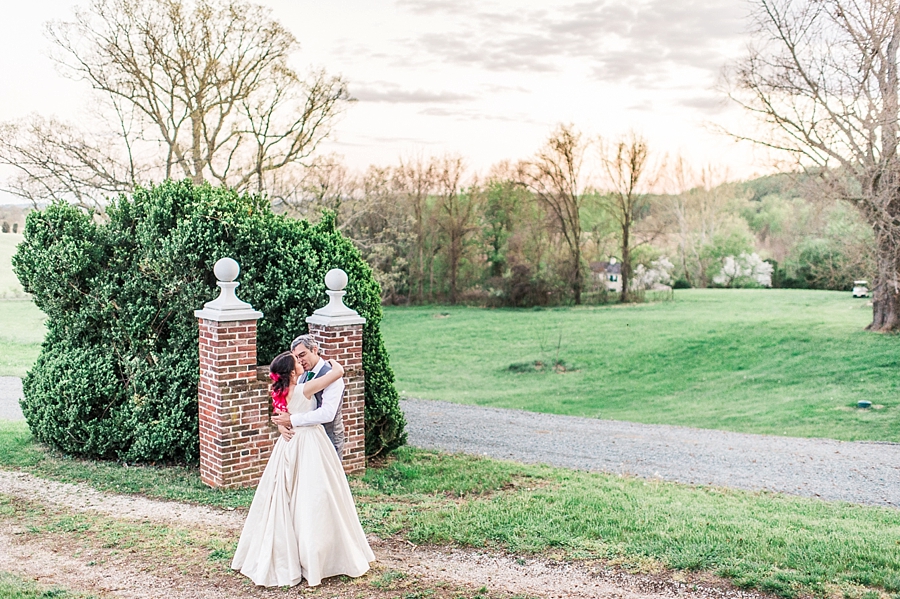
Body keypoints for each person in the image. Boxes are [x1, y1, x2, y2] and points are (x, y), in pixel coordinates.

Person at [231, 351, 375, 587]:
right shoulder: (304, 389)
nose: (301, 363)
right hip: (310, 441)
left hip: (289, 443)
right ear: (290, 371)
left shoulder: (281, 392)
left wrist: (283, 423)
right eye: (297, 362)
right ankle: (319, 553)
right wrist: (331, 362)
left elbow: (281, 415)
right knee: (316, 493)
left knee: (288, 493)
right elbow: (338, 373)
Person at [272, 335, 344, 458]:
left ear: (314, 349)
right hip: (301, 440)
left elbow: (328, 413)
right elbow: (290, 404)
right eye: (296, 358)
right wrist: (281, 425)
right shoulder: (300, 374)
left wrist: (292, 420)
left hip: (328, 437)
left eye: (302, 355)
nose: (300, 361)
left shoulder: (332, 376)